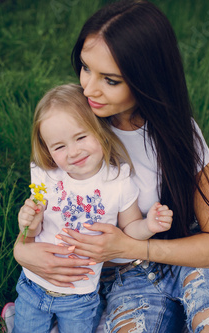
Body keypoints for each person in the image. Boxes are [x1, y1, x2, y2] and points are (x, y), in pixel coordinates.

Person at [10, 1, 209, 332]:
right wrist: (22, 250)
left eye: (111, 80)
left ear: (146, 78)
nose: (89, 89)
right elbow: (43, 208)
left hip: (181, 260)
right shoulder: (68, 127)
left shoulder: (178, 133)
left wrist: (131, 245)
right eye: (86, 68)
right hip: (118, 280)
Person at [12, 83, 173, 333]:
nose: (73, 152)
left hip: (80, 296)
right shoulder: (48, 175)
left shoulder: (117, 182)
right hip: (34, 284)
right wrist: (28, 222)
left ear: (100, 131)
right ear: (47, 150)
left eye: (81, 137)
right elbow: (33, 230)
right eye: (59, 146)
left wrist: (148, 226)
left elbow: (128, 230)